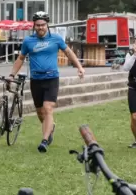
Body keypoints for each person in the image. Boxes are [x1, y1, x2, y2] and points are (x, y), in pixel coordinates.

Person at [9, 11, 85, 153]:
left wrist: (79, 67)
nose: (40, 28)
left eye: (43, 25)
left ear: (47, 25)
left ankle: (44, 141)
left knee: (48, 108)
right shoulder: (28, 41)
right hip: (36, 80)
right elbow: (20, 59)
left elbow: (68, 52)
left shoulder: (56, 39)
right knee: (40, 113)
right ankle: (50, 127)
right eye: (37, 25)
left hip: (51, 78)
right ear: (34, 26)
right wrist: (12, 74)